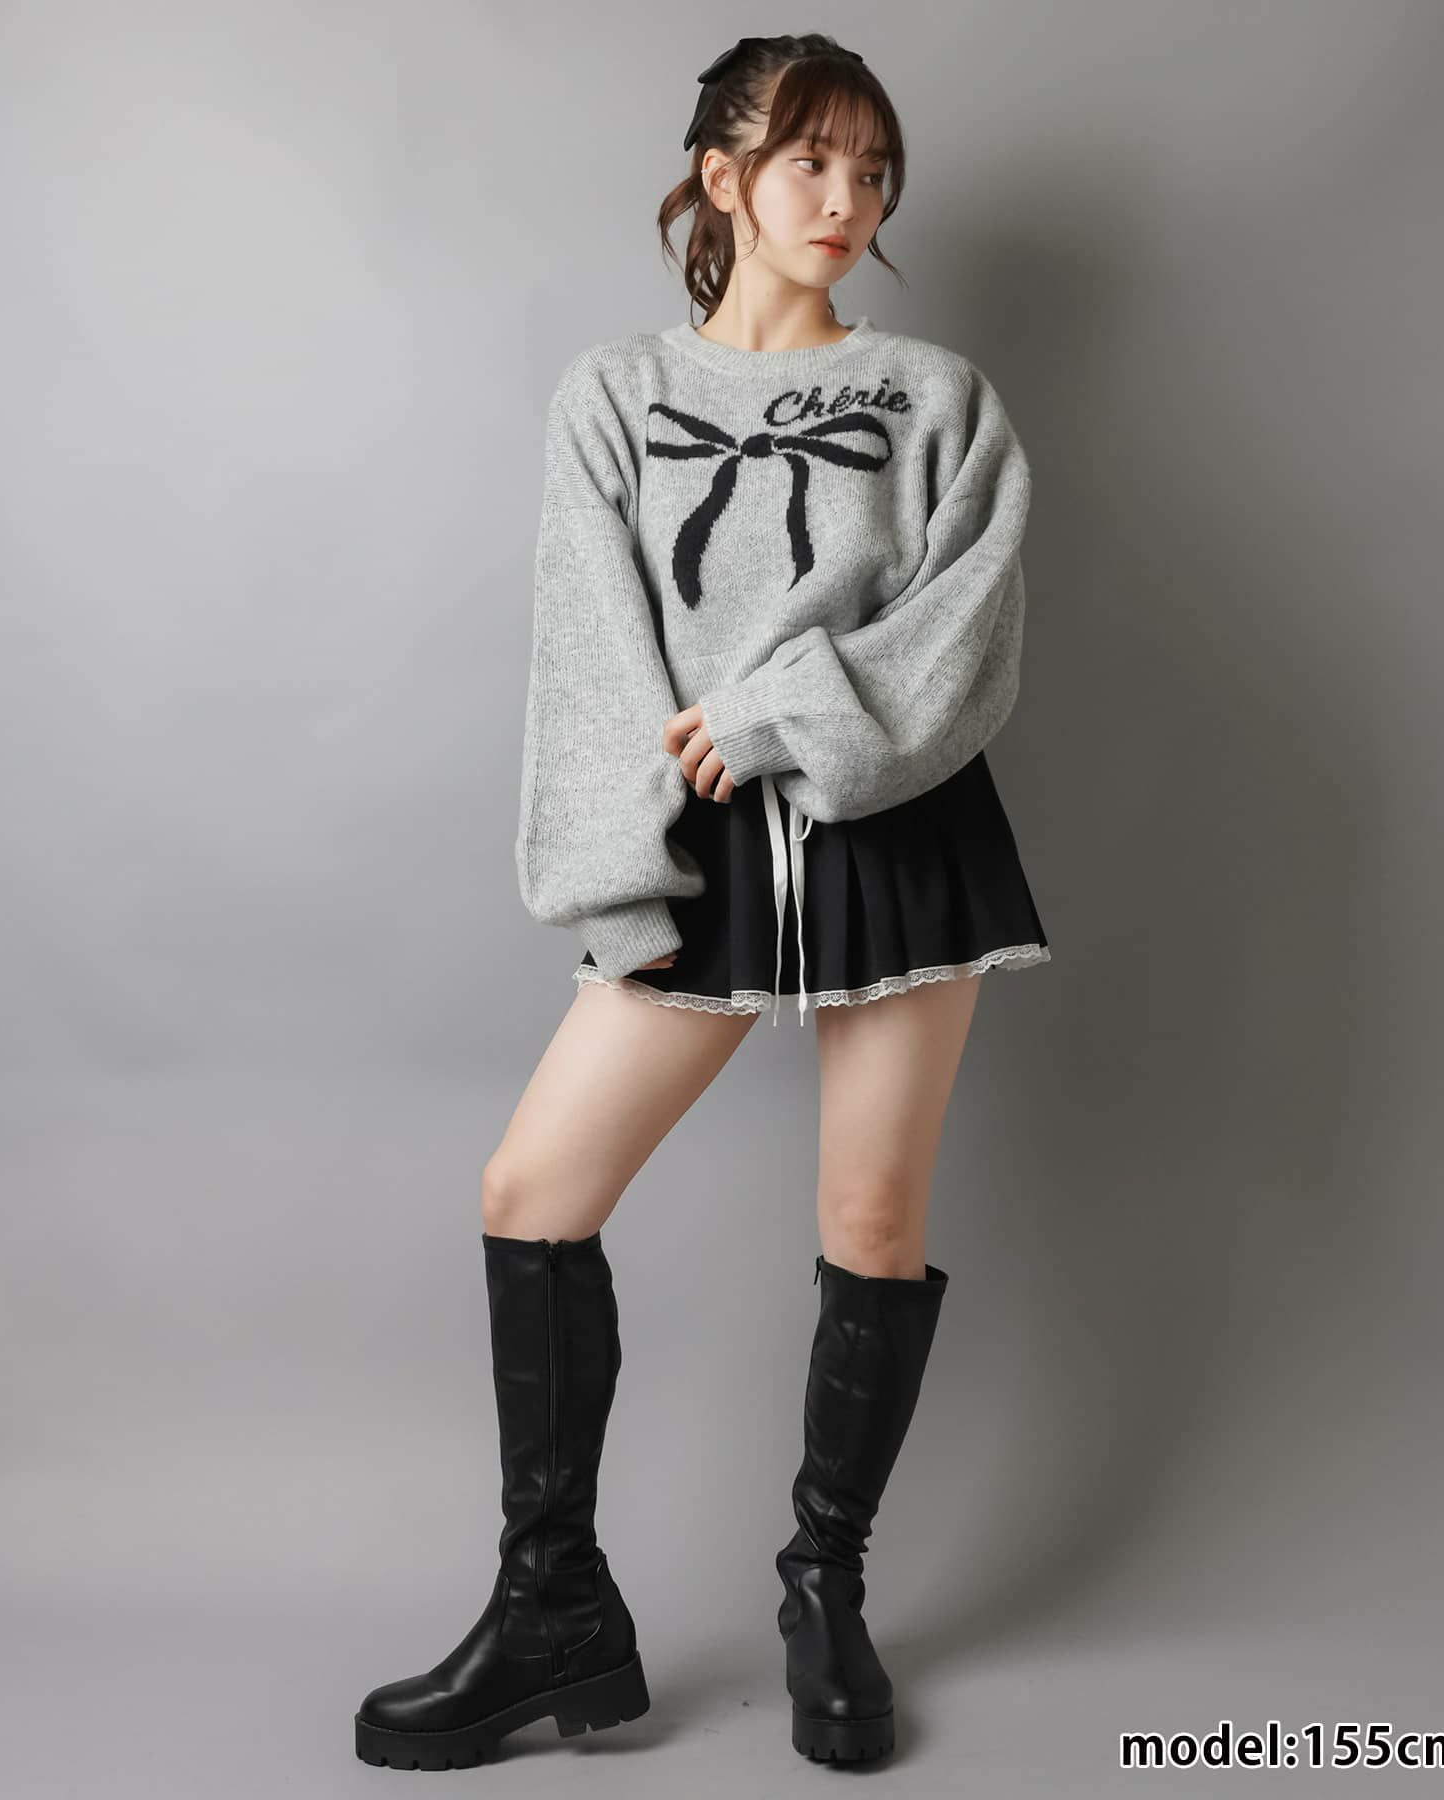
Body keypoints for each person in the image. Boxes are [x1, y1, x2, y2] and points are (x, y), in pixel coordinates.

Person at [354, 31, 1050, 1772]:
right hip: (702, 834)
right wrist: (624, 864)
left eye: (874, 170)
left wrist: (775, 713)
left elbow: (965, 633)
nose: (848, 197)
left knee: (870, 1218)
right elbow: (593, 654)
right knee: (533, 1190)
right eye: (813, 159)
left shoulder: (936, 394)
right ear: (723, 175)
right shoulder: (613, 391)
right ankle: (554, 1610)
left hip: (894, 822)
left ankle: (826, 1585)